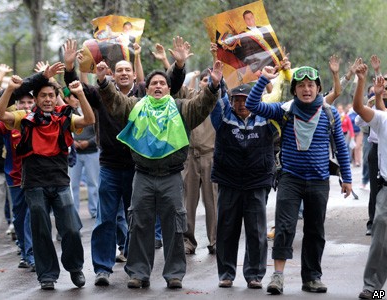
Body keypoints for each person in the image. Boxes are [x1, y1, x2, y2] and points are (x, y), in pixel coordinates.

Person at [63, 37, 187, 286]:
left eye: (127, 70)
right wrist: (69, 68)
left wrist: (179, 64)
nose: (122, 74)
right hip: (109, 165)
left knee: (139, 221)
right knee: (105, 219)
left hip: (138, 168)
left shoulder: (144, 93)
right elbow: (78, 88)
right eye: (118, 70)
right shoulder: (101, 94)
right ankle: (102, 268)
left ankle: (135, 265)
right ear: (112, 73)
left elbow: (171, 83)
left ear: (134, 75)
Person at [96, 56, 222, 289]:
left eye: (162, 83)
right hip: (142, 175)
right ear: (147, 88)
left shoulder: (181, 108)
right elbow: (115, 102)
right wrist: (103, 82)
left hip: (172, 177)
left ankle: (174, 274)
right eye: (153, 83)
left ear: (169, 88)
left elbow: (202, 105)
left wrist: (214, 86)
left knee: (174, 227)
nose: (157, 86)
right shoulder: (135, 106)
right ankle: (138, 273)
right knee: (139, 225)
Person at [245, 65, 352, 295]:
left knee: (315, 230)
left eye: (310, 85)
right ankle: (278, 276)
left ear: (318, 89)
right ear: (294, 90)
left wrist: (347, 178)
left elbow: (341, 147)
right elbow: (251, 105)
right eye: (301, 85)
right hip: (290, 179)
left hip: (319, 180)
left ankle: (312, 278)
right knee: (284, 228)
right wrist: (264, 78)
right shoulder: (284, 110)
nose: (306, 89)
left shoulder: (328, 113)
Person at [0, 63, 95, 290]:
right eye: (42, 96)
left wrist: (79, 95)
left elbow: (89, 120)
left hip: (60, 183)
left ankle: (75, 268)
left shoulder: (65, 117)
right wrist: (9, 90)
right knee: (40, 231)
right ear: (36, 99)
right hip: (34, 184)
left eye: (51, 95)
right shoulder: (24, 117)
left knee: (70, 228)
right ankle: (47, 275)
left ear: (56, 97)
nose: (47, 99)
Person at [211, 81, 279, 289]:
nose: (242, 104)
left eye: (246, 100)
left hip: (257, 182)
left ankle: (254, 275)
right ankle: (226, 273)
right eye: (237, 100)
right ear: (231, 102)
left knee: (257, 231)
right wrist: (217, 83)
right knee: (226, 229)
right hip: (228, 181)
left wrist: (276, 79)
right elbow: (215, 96)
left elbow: (280, 100)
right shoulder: (222, 117)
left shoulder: (267, 118)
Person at [353, 62, 387, 300]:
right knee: (380, 235)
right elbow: (358, 108)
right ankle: (373, 289)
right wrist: (363, 82)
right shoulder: (383, 120)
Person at [0, 92, 35, 270]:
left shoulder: (41, 118)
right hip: (15, 176)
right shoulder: (9, 122)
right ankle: (24, 251)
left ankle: (32, 254)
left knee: (32, 216)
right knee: (19, 215)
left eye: (29, 102)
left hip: (36, 177)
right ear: (15, 105)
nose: (25, 106)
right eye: (22, 102)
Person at [182, 69, 217, 255]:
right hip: (190, 155)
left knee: (212, 200)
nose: (206, 83)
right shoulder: (192, 99)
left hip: (210, 155)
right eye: (204, 80)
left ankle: (215, 240)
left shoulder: (216, 100)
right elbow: (178, 85)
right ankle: (188, 241)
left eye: (209, 80)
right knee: (188, 201)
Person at [66, 86, 99, 219]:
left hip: (92, 152)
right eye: (74, 97)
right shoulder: (67, 112)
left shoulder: (91, 110)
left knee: (93, 183)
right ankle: (73, 212)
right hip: (74, 154)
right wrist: (72, 142)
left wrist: (89, 143)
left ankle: (95, 210)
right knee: (72, 184)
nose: (77, 99)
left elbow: (99, 132)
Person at [217, 10, 282, 75]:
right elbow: (249, 55)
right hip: (263, 67)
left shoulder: (264, 29)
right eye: (247, 19)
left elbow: (274, 45)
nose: (250, 19)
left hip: (276, 62)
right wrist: (256, 70)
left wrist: (281, 59)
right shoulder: (244, 36)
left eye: (251, 17)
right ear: (245, 21)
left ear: (254, 17)